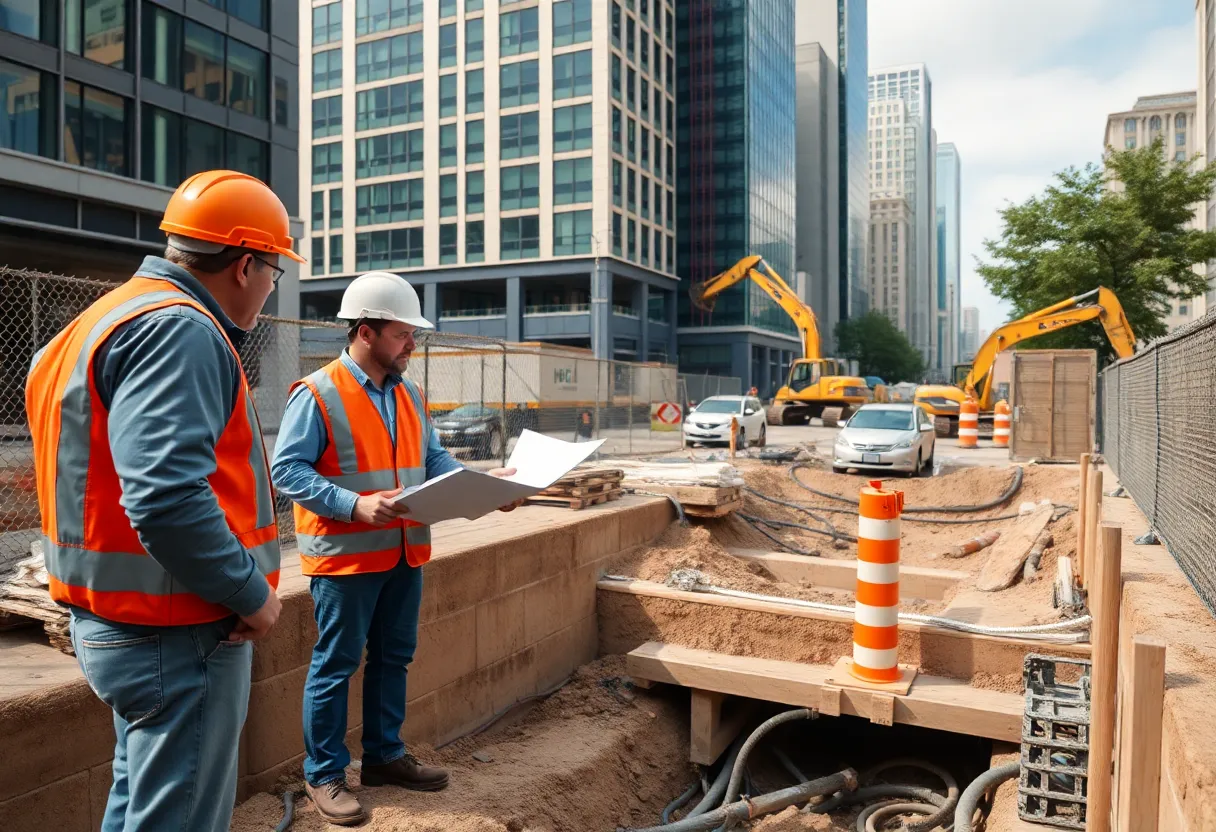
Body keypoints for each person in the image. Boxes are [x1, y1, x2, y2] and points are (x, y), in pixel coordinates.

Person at [24, 170, 300, 831]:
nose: (270, 287)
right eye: (273, 272)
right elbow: (165, 497)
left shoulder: (94, 322)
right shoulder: (181, 330)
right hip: (175, 632)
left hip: (117, 622)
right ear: (243, 265)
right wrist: (250, 593)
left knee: (144, 807)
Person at [271, 272, 522, 825]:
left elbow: (431, 462)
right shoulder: (317, 393)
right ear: (366, 331)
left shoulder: (409, 393)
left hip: (405, 552)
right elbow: (285, 470)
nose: (413, 344)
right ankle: (325, 773)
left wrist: (488, 482)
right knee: (336, 664)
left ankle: (383, 758)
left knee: (393, 658)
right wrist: (353, 504)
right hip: (346, 556)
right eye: (404, 334)